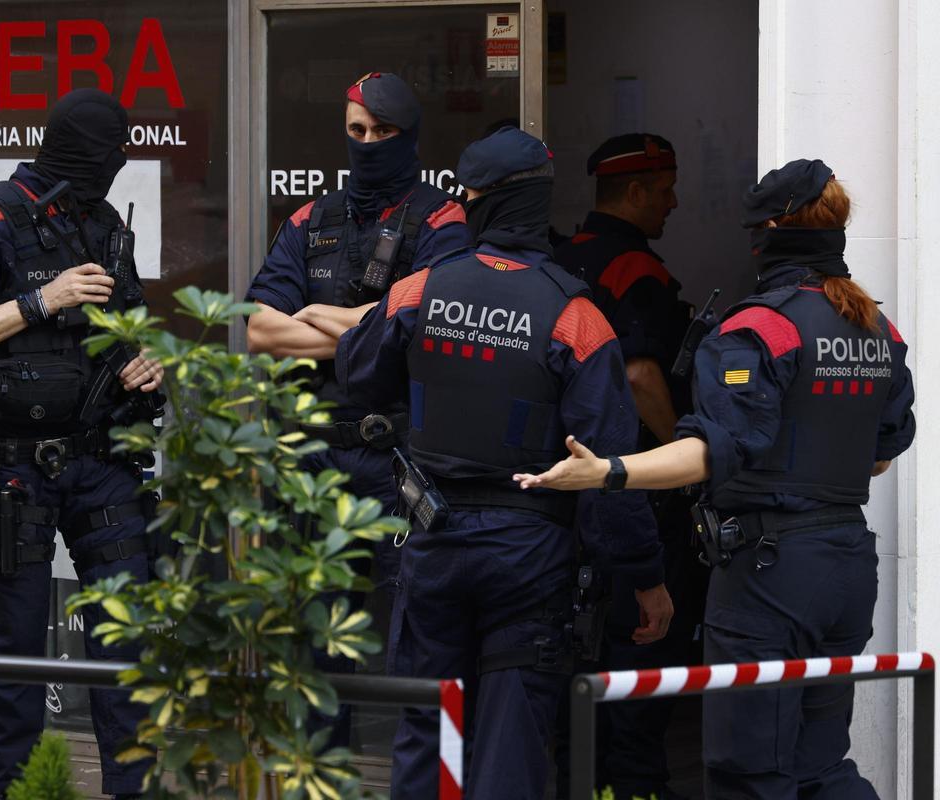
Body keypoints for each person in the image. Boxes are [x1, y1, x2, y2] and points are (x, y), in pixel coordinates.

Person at [517, 159, 916, 799]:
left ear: (770, 233)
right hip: (846, 562)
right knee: (821, 768)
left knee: (748, 771)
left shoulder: (760, 327)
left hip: (770, 571)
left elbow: (711, 451)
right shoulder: (877, 329)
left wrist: (608, 471)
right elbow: (879, 455)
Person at [336, 126, 673, 799]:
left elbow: (356, 372)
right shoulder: (575, 313)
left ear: (481, 203)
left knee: (429, 734)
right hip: (530, 555)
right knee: (510, 746)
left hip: (434, 545)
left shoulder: (417, 290)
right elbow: (609, 468)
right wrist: (645, 577)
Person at [0, 88, 163, 800]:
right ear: (82, 149)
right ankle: (20, 791)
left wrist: (143, 363)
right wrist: (38, 301)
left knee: (128, 638)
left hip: (105, 461)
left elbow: (126, 330)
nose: (119, 163)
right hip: (18, 470)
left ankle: (132, 791)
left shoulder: (106, 223)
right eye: (110, 150)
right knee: (16, 648)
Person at [244, 71, 470, 738]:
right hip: (315, 457)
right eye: (356, 132)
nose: (367, 144)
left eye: (382, 133)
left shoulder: (441, 219)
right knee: (313, 645)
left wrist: (321, 320)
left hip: (402, 459)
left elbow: (430, 327)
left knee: (415, 638)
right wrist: (371, 325)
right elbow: (259, 330)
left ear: (408, 135)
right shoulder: (311, 218)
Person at [552, 133, 702, 800]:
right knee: (643, 649)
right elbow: (642, 373)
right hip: (635, 487)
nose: (673, 203)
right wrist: (690, 464)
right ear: (637, 192)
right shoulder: (633, 269)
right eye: (665, 190)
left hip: (567, 487)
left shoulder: (561, 259)